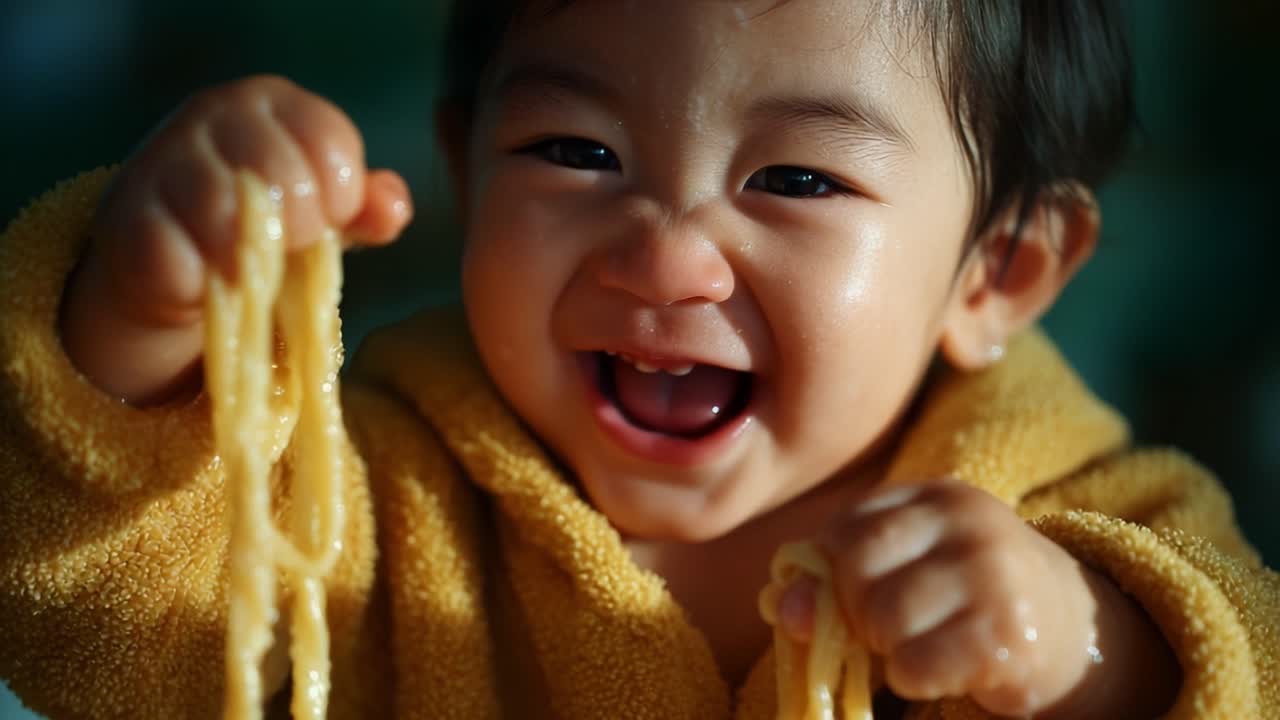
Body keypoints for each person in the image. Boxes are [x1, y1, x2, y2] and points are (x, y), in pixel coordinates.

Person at [1, 1, 1275, 718]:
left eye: (793, 178)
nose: (665, 260)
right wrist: (143, 326)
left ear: (999, 271)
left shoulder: (1095, 527)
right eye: (575, 152)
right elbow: (100, 634)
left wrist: (1083, 661)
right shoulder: (374, 501)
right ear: (461, 166)